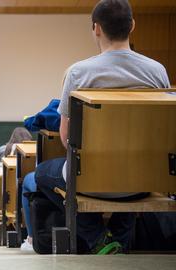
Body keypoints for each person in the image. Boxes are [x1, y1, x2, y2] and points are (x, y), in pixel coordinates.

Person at [34, 0, 170, 254]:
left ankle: (100, 239)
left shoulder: (78, 73)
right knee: (130, 164)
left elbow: (66, 138)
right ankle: (120, 237)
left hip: (91, 181)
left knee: (42, 174)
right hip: (143, 181)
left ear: (96, 28)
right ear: (132, 26)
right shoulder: (157, 72)